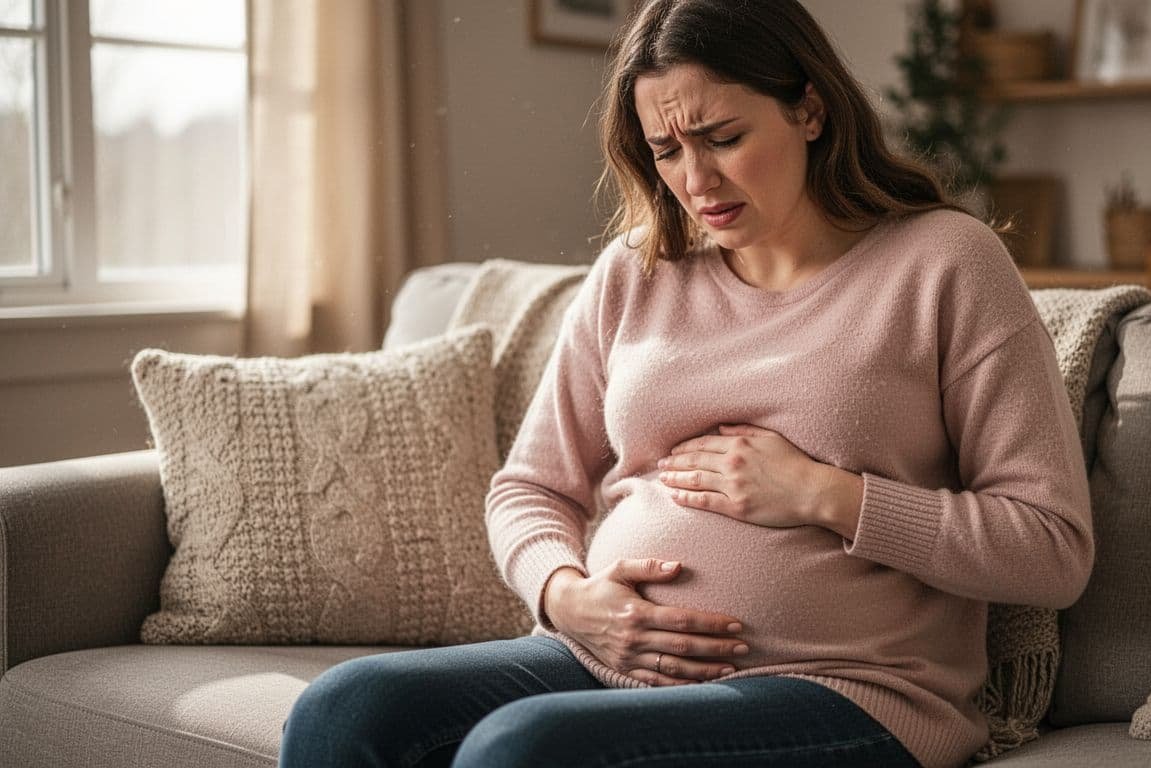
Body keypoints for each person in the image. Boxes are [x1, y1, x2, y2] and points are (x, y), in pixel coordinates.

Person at [277, 1, 1093, 766]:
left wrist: (824, 494)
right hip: (597, 655)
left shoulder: (945, 263)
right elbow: (528, 488)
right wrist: (567, 597)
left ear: (809, 110)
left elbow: (1051, 549)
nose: (695, 181)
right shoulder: (637, 272)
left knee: (524, 751)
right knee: (345, 708)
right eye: (667, 151)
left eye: (723, 137)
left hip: (846, 689)